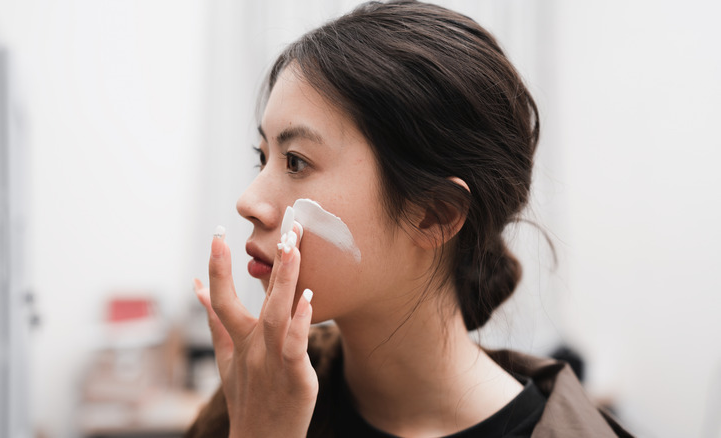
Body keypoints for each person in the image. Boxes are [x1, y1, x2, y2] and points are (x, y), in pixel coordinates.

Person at [187, 1, 633, 437]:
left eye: (296, 162)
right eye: (261, 158)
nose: (249, 201)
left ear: (435, 215)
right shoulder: (257, 393)